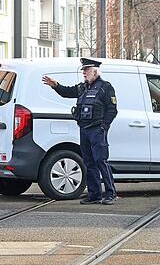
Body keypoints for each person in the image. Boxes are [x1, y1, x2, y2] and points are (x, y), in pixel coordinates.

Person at [43, 58, 118, 205]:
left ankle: (110, 193)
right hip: (84, 130)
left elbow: (112, 109)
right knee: (89, 163)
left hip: (97, 130)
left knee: (101, 161)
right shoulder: (83, 87)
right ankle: (94, 194)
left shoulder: (105, 87)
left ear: (95, 71)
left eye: (86, 70)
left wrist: (104, 127)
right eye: (83, 70)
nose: (84, 73)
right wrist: (55, 85)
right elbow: (67, 92)